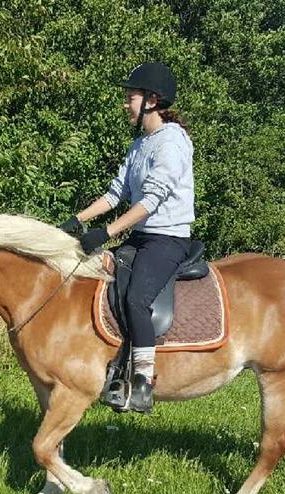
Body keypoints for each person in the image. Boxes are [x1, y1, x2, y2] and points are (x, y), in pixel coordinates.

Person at [59, 61, 195, 414]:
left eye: (130, 97)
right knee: (103, 278)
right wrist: (76, 221)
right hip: (141, 236)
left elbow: (151, 201)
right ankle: (116, 368)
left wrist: (106, 232)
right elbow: (115, 193)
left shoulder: (172, 142)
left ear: (151, 100)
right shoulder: (140, 145)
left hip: (167, 238)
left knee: (136, 299)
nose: (125, 104)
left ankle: (143, 384)